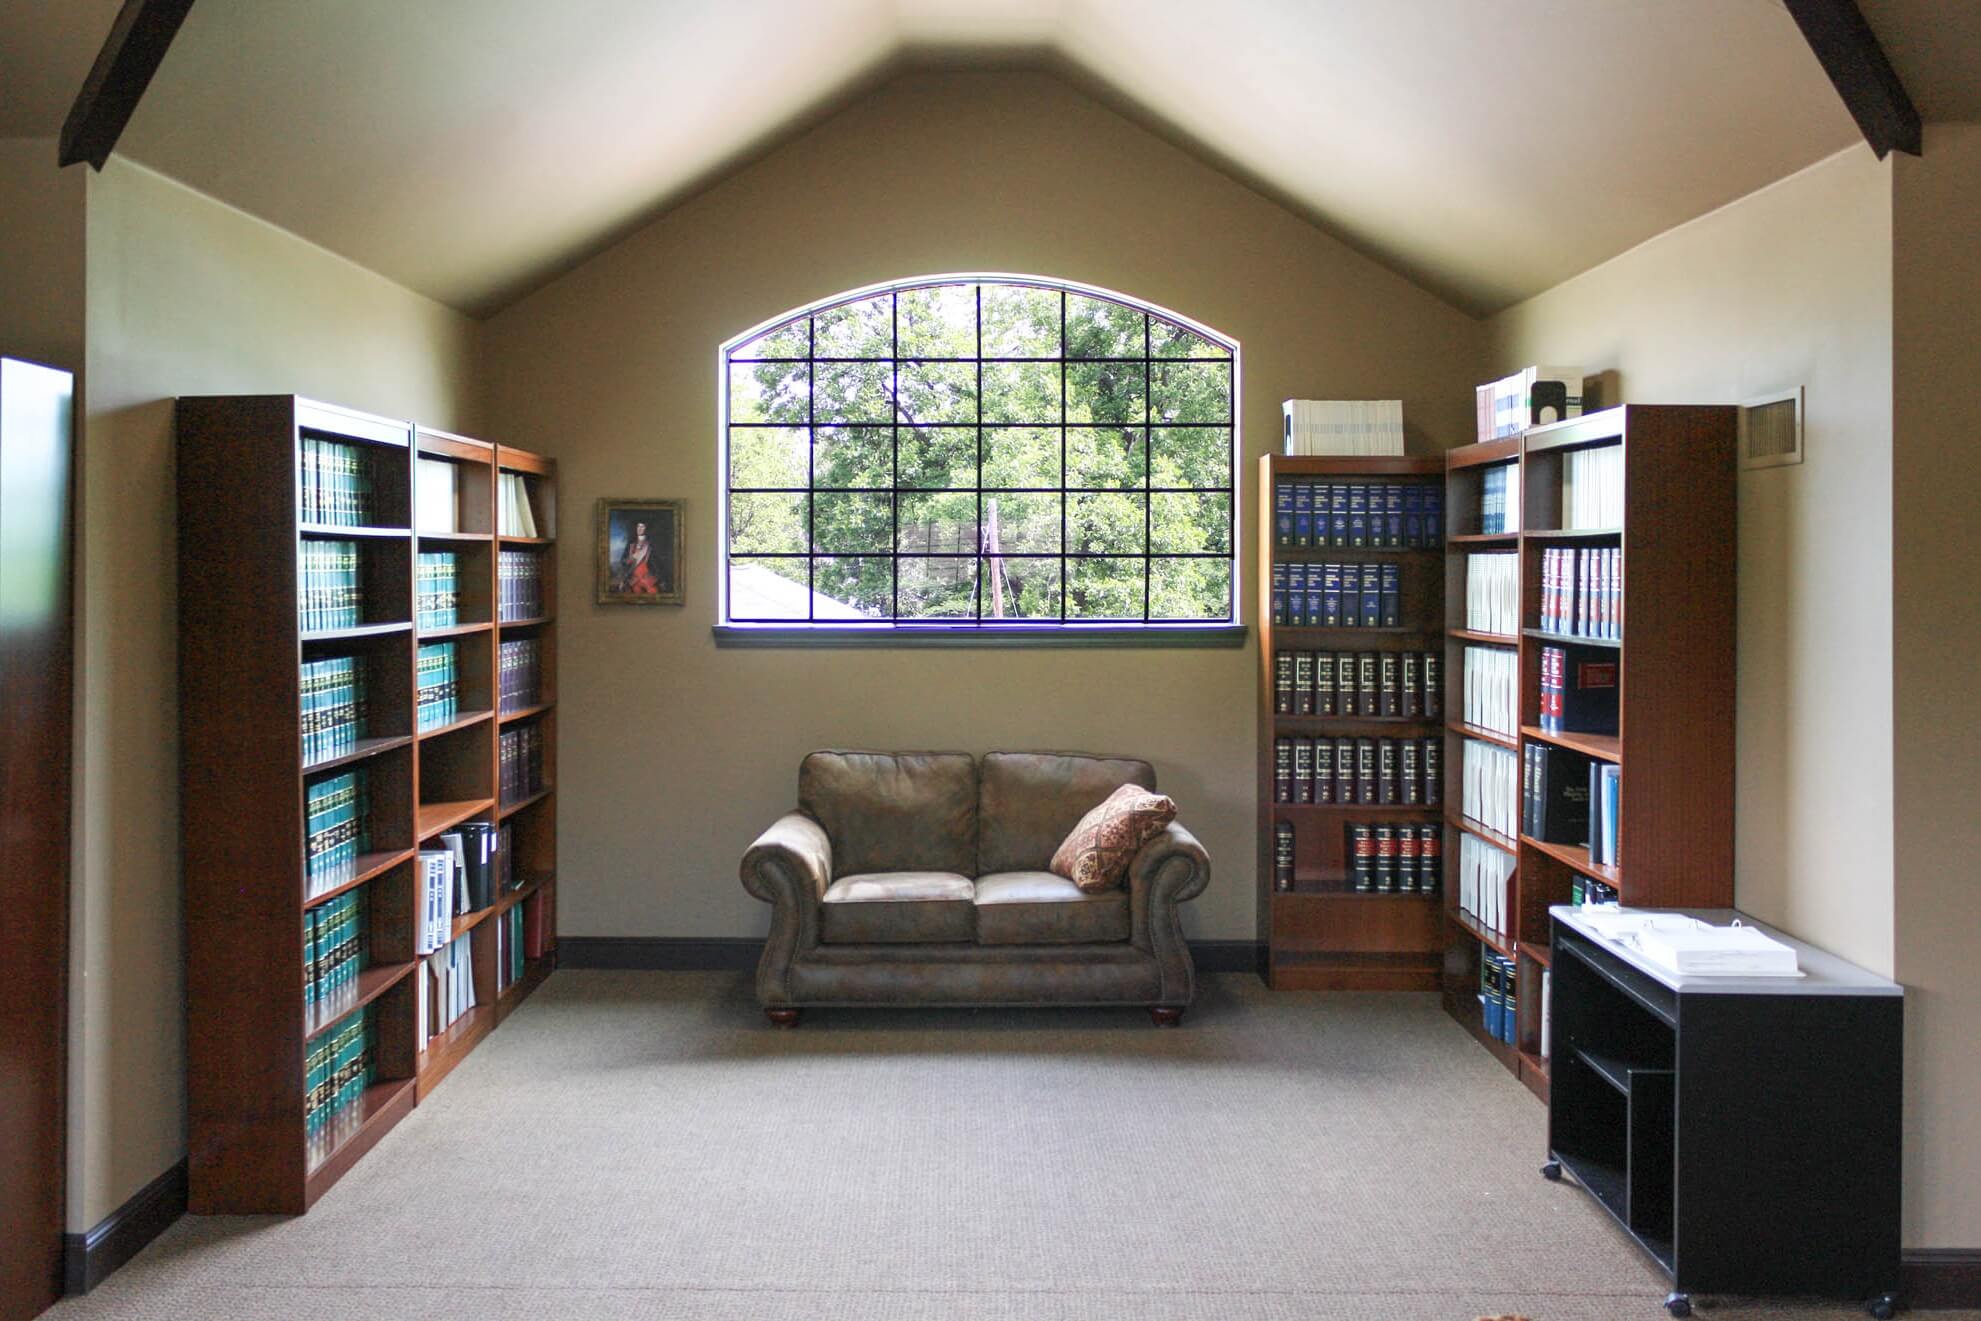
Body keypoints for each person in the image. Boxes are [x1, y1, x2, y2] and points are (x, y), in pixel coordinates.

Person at [619, 519, 661, 594]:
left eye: (642, 527)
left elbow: (657, 563)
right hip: (634, 580)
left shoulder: (651, 545)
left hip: (648, 579)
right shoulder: (631, 545)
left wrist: (656, 576)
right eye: (638, 526)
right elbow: (623, 561)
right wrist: (631, 558)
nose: (639, 529)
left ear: (646, 529)